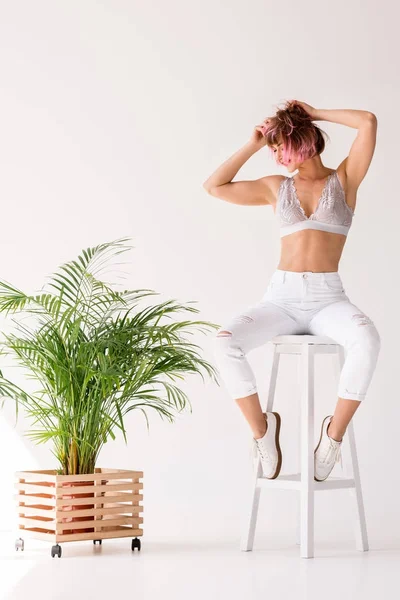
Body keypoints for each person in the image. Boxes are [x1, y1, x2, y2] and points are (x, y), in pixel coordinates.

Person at [202, 99, 381, 482]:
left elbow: (367, 121)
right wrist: (253, 143)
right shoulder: (275, 188)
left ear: (300, 140)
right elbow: (213, 187)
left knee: (367, 340)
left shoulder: (345, 180)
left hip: (327, 299)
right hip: (280, 299)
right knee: (224, 342)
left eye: (277, 145)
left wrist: (315, 113)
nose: (275, 155)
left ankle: (332, 438)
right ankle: (262, 432)